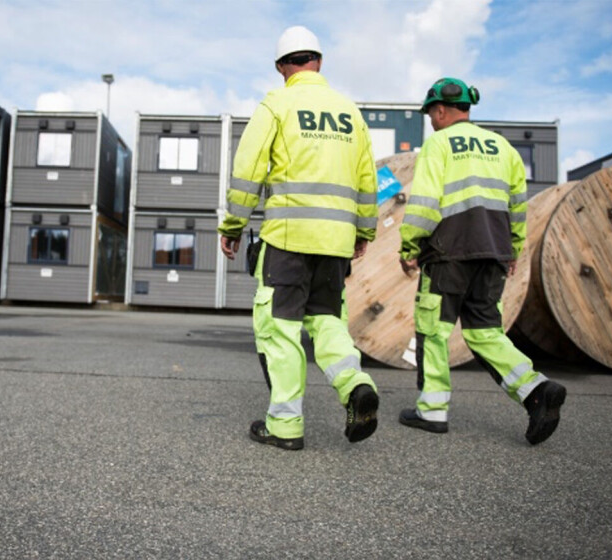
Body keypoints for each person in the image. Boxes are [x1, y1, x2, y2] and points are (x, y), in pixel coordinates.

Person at [218, 25, 380, 450]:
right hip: (335, 243)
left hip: (288, 239)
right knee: (327, 321)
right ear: (319, 61)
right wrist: (362, 232)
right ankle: (355, 384)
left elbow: (247, 170)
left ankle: (285, 426)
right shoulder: (351, 113)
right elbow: (367, 180)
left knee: (281, 330)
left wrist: (232, 226)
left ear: (281, 67)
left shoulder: (277, 104)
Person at [398, 77, 566, 445]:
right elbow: (518, 206)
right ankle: (535, 390)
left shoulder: (439, 144)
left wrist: (409, 246)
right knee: (485, 332)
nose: (431, 121)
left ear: (440, 110)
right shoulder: (503, 148)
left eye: (431, 115)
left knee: (434, 330)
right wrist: (512, 251)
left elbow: (425, 204)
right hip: (493, 252)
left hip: (447, 254)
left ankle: (432, 410)